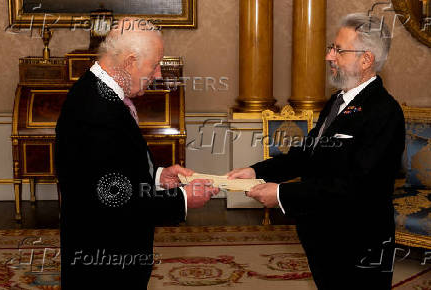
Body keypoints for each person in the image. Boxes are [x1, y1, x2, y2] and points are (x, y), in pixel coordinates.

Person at [228, 13, 405, 290]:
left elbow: (355, 187)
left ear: (366, 60)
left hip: (358, 242)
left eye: (338, 50)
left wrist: (280, 194)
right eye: (330, 48)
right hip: (323, 235)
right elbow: (305, 155)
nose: (329, 57)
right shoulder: (337, 100)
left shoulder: (385, 112)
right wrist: (256, 171)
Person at [55, 18, 219, 289]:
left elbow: (113, 170)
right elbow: (118, 203)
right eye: (154, 65)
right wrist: (183, 200)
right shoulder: (97, 110)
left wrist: (159, 176)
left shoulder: (99, 93)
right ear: (130, 62)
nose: (158, 75)